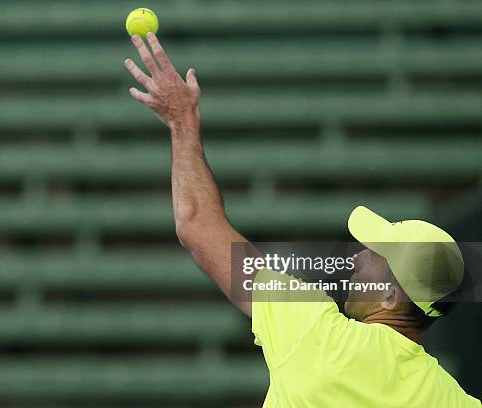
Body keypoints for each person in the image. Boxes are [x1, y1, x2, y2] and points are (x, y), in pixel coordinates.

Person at [124, 32, 481, 407]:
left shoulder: (312, 330)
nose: (357, 258)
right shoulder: (454, 400)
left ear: (391, 296)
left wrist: (182, 121)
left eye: (375, 254)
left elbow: (194, 222)